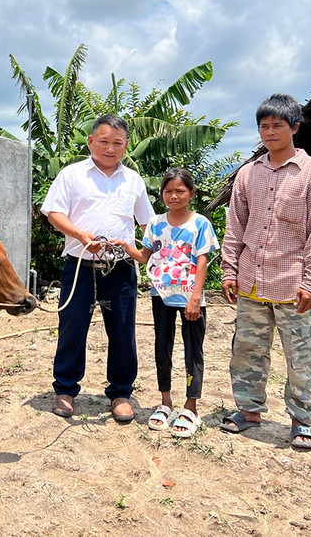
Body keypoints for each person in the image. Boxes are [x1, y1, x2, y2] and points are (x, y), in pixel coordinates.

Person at [219, 93, 311, 450]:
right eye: (264, 126)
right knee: (247, 350)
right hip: (251, 277)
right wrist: (228, 270)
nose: (269, 132)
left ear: (295, 128)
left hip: (292, 284)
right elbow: (235, 225)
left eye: (277, 125)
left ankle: (302, 419)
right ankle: (249, 409)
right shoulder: (248, 174)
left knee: (298, 356)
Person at [41, 114, 154, 422]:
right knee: (72, 328)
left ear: (126, 145)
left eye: (117, 143)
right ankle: (65, 390)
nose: (110, 148)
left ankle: (120, 393)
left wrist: (147, 252)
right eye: (103, 141)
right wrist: (79, 235)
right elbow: (53, 212)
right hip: (79, 265)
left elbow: (148, 223)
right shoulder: (72, 174)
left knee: (122, 333)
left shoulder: (133, 180)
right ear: (91, 141)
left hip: (120, 268)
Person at [113, 169, 219, 438]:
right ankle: (165, 402)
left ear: (191, 194)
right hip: (161, 295)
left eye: (180, 191)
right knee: (163, 347)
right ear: (161, 194)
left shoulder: (200, 224)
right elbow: (145, 256)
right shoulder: (156, 224)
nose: (174, 196)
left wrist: (196, 296)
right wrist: (126, 247)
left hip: (190, 298)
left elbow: (202, 261)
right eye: (168, 191)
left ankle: (190, 406)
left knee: (193, 350)